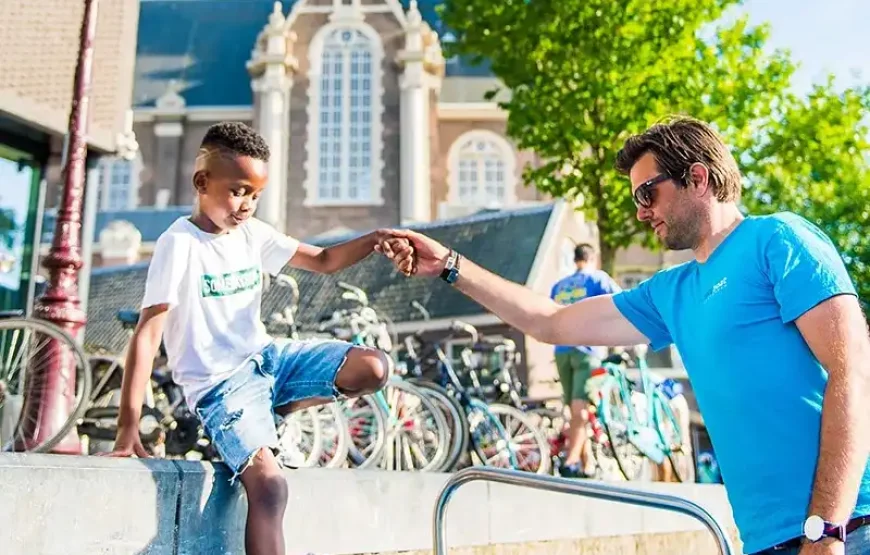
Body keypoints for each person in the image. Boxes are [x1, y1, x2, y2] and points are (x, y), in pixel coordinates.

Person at [379, 116, 870, 555]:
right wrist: (450, 265)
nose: (640, 212)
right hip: (765, 541)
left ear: (698, 178)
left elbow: (855, 369)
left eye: (646, 194)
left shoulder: (777, 239)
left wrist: (825, 527)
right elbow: (551, 322)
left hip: (849, 528)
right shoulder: (671, 292)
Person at [105, 121, 414, 555]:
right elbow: (148, 332)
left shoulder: (253, 233)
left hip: (270, 359)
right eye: (237, 191)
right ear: (202, 183)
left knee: (373, 368)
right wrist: (127, 428)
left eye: (255, 195)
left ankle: (274, 412)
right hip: (220, 386)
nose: (247, 205)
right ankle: (259, 424)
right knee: (270, 487)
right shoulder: (179, 244)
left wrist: (377, 239)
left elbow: (324, 260)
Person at [549, 242, 620, 478]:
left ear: (575, 259)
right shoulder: (599, 279)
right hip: (587, 350)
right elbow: (622, 304)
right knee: (581, 410)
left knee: (574, 409)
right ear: (593, 258)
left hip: (561, 350)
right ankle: (570, 462)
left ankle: (586, 464)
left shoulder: (559, 286)